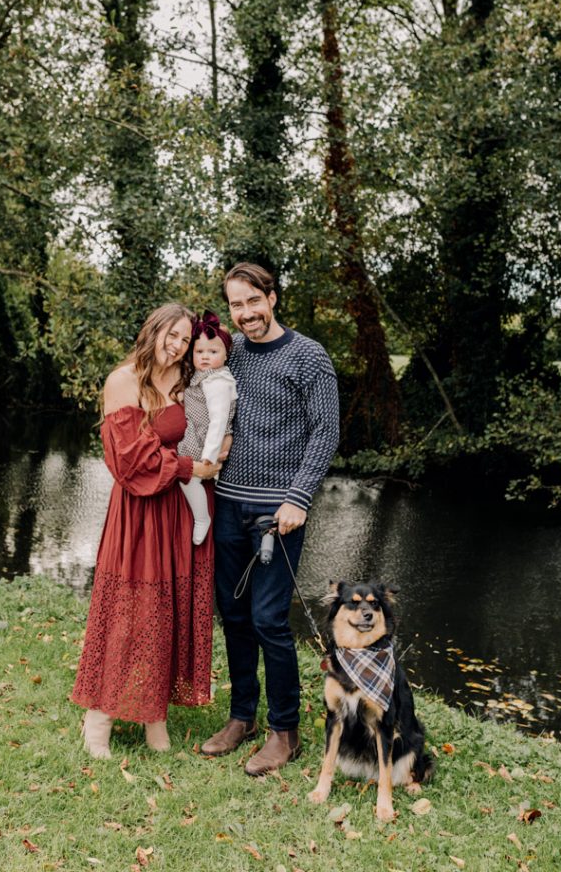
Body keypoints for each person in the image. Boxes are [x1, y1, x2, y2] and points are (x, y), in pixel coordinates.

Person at [201, 262, 339, 775]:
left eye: (251, 302)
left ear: (272, 298)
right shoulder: (230, 355)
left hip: (277, 512)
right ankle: (242, 718)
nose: (245, 314)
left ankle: (285, 731)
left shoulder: (308, 356)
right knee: (233, 617)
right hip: (228, 504)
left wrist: (299, 497)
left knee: (268, 620)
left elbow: (325, 432)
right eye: (235, 305)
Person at [71, 303, 220, 757]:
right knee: (129, 612)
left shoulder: (183, 381)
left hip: (178, 511)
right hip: (139, 512)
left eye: (184, 339)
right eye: (170, 336)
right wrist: (192, 466)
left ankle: (156, 718)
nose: (176, 346)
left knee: (169, 609)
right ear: (153, 330)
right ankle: (99, 718)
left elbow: (209, 420)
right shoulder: (124, 381)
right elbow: (130, 461)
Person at [179, 311, 237, 545]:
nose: (205, 357)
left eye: (213, 352)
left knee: (186, 476)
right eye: (199, 352)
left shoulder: (218, 382)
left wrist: (208, 457)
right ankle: (201, 516)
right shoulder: (204, 376)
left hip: (205, 437)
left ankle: (202, 518)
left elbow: (219, 420)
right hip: (198, 430)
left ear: (225, 355)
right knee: (186, 475)